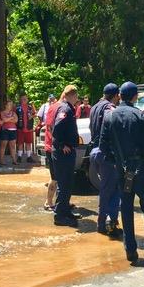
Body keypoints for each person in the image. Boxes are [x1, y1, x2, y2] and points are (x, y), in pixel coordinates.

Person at [100, 81, 144, 264]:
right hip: (141, 169)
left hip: (122, 170)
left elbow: (103, 146)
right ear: (135, 96)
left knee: (126, 208)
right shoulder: (140, 116)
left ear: (120, 96)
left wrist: (116, 162)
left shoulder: (109, 116)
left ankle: (130, 250)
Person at [89, 83, 121, 237]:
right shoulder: (109, 108)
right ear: (116, 95)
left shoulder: (94, 107)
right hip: (107, 154)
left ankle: (106, 222)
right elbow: (113, 128)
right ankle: (107, 224)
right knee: (113, 190)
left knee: (106, 188)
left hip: (95, 152)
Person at [51, 85, 81, 227]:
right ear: (72, 95)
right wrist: (62, 144)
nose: (77, 98)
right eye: (76, 96)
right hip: (63, 153)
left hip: (66, 152)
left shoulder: (68, 108)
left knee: (67, 184)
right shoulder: (65, 109)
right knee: (64, 184)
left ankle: (65, 211)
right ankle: (59, 215)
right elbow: (57, 129)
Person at [43, 95, 60, 211]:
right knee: (54, 178)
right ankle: (48, 202)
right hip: (51, 148)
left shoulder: (55, 110)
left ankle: (61, 201)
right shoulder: (51, 111)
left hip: (54, 148)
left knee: (59, 177)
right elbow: (50, 129)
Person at [16, 93, 37, 163]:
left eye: (25, 98)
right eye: (23, 99)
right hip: (20, 128)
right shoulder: (17, 108)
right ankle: (19, 157)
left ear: (27, 99)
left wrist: (32, 116)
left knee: (28, 143)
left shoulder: (30, 107)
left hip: (29, 128)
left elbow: (35, 114)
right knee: (20, 143)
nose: (24, 100)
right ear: (20, 100)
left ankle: (29, 157)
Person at [0, 100, 18, 166]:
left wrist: (8, 119)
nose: (11, 106)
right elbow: (4, 120)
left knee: (13, 146)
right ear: (6, 105)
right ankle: (1, 160)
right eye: (9, 104)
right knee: (3, 145)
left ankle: (14, 160)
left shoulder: (14, 113)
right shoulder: (2, 112)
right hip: (5, 130)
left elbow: (16, 120)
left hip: (13, 130)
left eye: (11, 104)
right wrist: (11, 118)